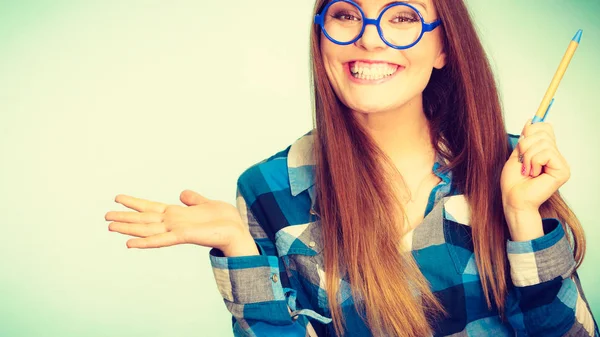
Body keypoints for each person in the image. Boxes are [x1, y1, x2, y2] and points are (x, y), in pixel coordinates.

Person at [105, 0, 599, 336]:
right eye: (346, 14)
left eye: (402, 16)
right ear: (321, 39)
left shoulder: (512, 169)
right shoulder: (267, 191)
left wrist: (523, 217)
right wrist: (239, 251)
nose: (369, 38)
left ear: (445, 46)